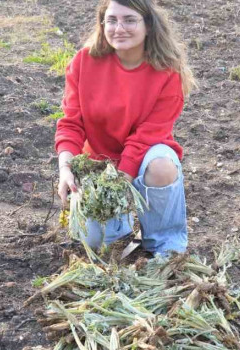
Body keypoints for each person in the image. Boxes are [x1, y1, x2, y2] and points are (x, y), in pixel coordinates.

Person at [55, 0, 196, 256]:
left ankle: (166, 246)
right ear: (102, 24)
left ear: (148, 25)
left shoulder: (167, 73)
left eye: (130, 20)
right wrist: (66, 168)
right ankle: (121, 230)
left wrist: (122, 180)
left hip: (144, 156)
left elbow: (146, 137)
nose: (119, 28)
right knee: (98, 243)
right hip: (98, 162)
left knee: (162, 167)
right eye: (112, 20)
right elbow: (71, 123)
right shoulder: (84, 62)